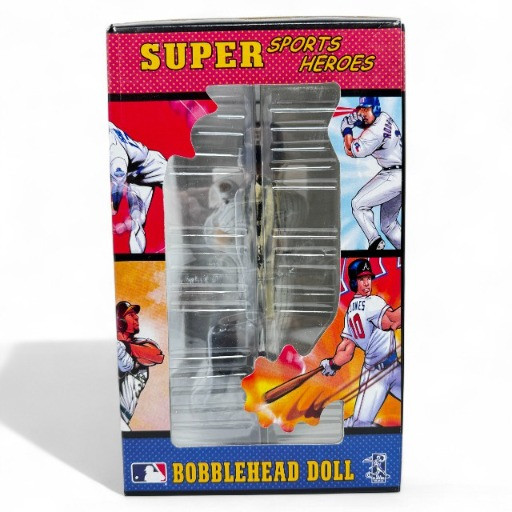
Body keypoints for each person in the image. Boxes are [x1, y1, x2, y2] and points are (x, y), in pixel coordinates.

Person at [320, 259, 401, 427]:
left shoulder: (351, 309)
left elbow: (346, 349)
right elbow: (393, 321)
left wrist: (333, 364)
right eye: (361, 278)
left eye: (368, 278)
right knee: (359, 425)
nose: (366, 282)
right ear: (353, 282)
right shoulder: (373, 302)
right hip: (375, 377)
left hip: (392, 368)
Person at [341, 97, 402, 250]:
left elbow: (351, 151)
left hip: (393, 176)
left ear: (375, 109)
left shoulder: (374, 133)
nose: (362, 113)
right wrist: (357, 121)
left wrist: (347, 130)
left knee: (358, 204)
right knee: (389, 225)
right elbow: (369, 125)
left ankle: (375, 241)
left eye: (366, 109)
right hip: (400, 174)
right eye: (361, 109)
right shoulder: (384, 116)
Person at [109, 122, 167, 253]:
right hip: (134, 177)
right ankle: (137, 259)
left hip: (151, 164)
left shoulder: (114, 151)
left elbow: (119, 178)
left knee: (183, 190)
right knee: (137, 221)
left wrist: (115, 205)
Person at [116, 301, 164, 430]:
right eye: (131, 315)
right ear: (120, 322)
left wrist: (125, 346)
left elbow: (157, 355)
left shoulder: (142, 343)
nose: (136, 317)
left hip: (123, 417)